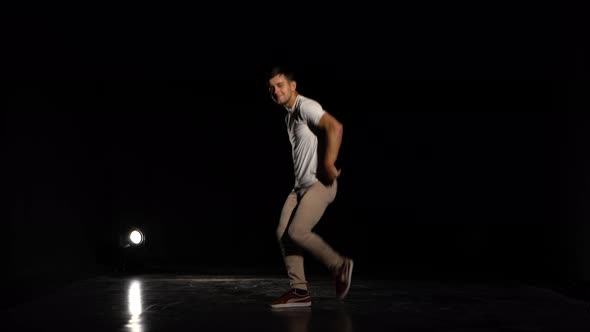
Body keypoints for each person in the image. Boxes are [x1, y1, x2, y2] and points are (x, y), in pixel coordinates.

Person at [266, 66, 353, 309]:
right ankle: (300, 291)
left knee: (296, 231)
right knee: (284, 233)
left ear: (292, 86)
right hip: (300, 188)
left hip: (319, 184)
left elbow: (335, 127)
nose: (276, 90)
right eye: (271, 88)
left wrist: (327, 162)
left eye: (280, 85)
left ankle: (340, 265)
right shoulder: (288, 116)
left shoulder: (305, 106)